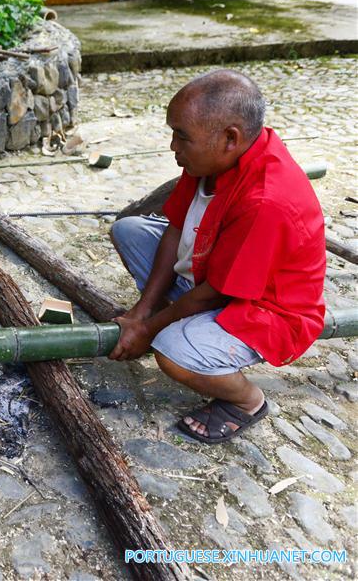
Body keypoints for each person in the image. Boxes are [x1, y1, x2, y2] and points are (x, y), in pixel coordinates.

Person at [108, 70, 326, 444]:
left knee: (172, 353)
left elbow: (215, 293)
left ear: (230, 138)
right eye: (173, 132)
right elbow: (175, 228)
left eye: (182, 136)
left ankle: (246, 402)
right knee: (128, 230)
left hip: (264, 309)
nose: (173, 146)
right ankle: (179, 319)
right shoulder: (209, 159)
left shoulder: (266, 199)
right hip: (214, 272)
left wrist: (150, 331)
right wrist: (143, 312)